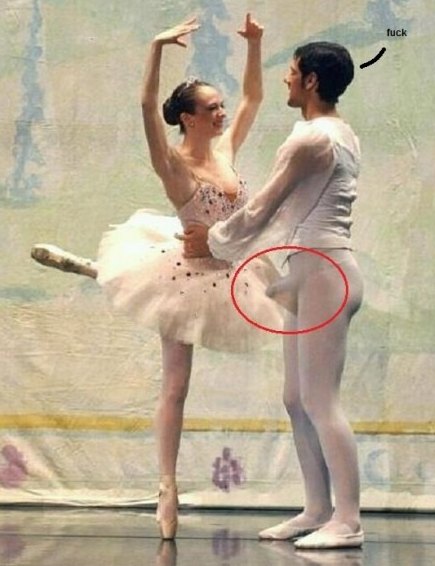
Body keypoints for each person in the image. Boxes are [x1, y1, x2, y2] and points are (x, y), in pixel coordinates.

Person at [80, 14, 281, 541]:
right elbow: (147, 107)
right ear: (188, 119)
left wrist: (255, 45)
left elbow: (253, 98)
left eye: (220, 106)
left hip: (230, 268)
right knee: (176, 386)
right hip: (186, 278)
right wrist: (155, 48)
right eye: (211, 108)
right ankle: (166, 486)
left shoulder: (225, 150)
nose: (221, 113)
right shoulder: (173, 166)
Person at [182, 41, 364, 550]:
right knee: (296, 398)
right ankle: (318, 509)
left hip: (325, 271)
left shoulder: (315, 139)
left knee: (321, 400)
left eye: (292, 71)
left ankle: (348, 520)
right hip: (308, 270)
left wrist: (214, 241)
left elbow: (264, 207)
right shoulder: (334, 133)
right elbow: (285, 214)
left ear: (311, 81)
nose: (286, 78)